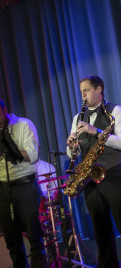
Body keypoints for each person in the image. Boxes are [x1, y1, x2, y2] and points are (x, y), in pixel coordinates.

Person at [66, 75, 121, 268]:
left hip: (112, 172)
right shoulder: (78, 117)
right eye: (81, 91)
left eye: (86, 90)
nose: (82, 95)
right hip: (89, 178)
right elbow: (72, 153)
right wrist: (71, 146)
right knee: (100, 228)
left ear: (99, 90)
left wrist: (97, 132)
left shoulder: (115, 110)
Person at [0, 99, 46, 267]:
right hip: (3, 189)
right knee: (12, 241)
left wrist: (11, 150)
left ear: (4, 110)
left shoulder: (23, 124)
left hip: (25, 185)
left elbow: (34, 155)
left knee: (34, 236)